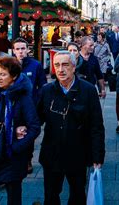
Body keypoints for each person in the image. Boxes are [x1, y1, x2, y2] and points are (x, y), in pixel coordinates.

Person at [37, 51, 105, 204]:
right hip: (52, 153)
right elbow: (36, 119)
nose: (60, 69)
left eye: (65, 65)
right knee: (50, 195)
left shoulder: (88, 90)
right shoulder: (47, 90)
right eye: (57, 65)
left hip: (78, 154)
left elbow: (96, 125)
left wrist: (97, 155)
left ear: (74, 67)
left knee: (77, 194)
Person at [0, 56, 41, 205]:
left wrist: (16, 147)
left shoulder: (23, 98)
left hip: (11, 158)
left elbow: (34, 127)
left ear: (14, 76)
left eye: (3, 74)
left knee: (13, 198)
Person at [12, 38, 47, 174]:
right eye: (18, 49)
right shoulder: (10, 65)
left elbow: (42, 85)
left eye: (23, 48)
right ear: (14, 51)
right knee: (13, 130)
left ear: (27, 50)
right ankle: (15, 158)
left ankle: (28, 159)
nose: (20, 51)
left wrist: (38, 102)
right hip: (13, 106)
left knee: (28, 133)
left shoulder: (35, 65)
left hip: (30, 107)